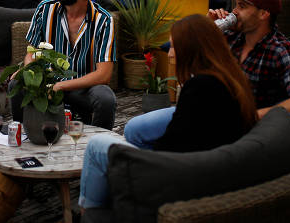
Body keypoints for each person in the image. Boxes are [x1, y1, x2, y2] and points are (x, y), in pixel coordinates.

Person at [78, 14, 257, 209]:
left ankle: (90, 217)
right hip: (206, 168)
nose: (170, 54)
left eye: (173, 46)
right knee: (133, 132)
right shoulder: (231, 77)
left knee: (96, 146)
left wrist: (137, 161)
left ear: (190, 49)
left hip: (181, 176)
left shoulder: (200, 88)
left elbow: (172, 146)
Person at [124, 0, 290, 148]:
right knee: (134, 130)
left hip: (237, 126)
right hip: (205, 109)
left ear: (264, 13)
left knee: (172, 143)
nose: (234, 11)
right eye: (235, 4)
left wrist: (252, 116)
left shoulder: (281, 51)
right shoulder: (230, 37)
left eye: (242, 6)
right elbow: (195, 78)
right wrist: (207, 29)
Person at [11, 0, 117, 129]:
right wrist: (28, 71)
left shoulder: (103, 20)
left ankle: (98, 147)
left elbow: (103, 75)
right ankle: (23, 134)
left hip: (82, 88)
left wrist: (60, 86)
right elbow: (32, 52)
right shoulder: (45, 9)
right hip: (46, 83)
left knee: (105, 98)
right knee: (16, 82)